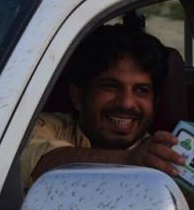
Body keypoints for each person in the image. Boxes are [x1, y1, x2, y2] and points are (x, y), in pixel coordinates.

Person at [19, 23, 185, 190]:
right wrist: (129, 161)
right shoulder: (44, 127)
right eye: (110, 86)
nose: (127, 102)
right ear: (78, 96)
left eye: (141, 90)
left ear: (154, 102)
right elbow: (39, 164)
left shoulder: (168, 159)